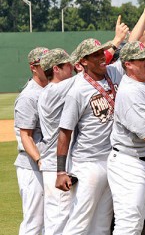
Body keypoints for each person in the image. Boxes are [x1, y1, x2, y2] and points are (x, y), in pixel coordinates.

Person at [55, 19, 128, 235]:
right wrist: (61, 171)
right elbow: (65, 132)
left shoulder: (112, 74)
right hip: (88, 163)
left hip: (112, 160)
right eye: (95, 55)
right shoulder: (77, 89)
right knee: (79, 221)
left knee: (103, 222)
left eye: (101, 53)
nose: (102, 57)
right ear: (83, 62)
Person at [107, 41, 145, 234]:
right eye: (140, 59)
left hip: (143, 165)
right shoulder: (130, 91)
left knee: (135, 224)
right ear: (128, 64)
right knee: (128, 225)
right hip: (130, 165)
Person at [37, 48, 75, 235]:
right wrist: (115, 44)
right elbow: (85, 77)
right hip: (55, 165)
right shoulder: (56, 90)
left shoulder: (51, 90)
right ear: (56, 69)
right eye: (68, 65)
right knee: (60, 220)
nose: (73, 67)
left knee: (58, 219)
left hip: (53, 163)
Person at [14, 47, 49, 235]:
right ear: (33, 67)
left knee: (50, 221)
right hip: (32, 166)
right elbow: (26, 136)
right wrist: (40, 160)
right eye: (44, 64)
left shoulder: (52, 88)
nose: (49, 67)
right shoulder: (28, 96)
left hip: (48, 164)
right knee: (34, 223)